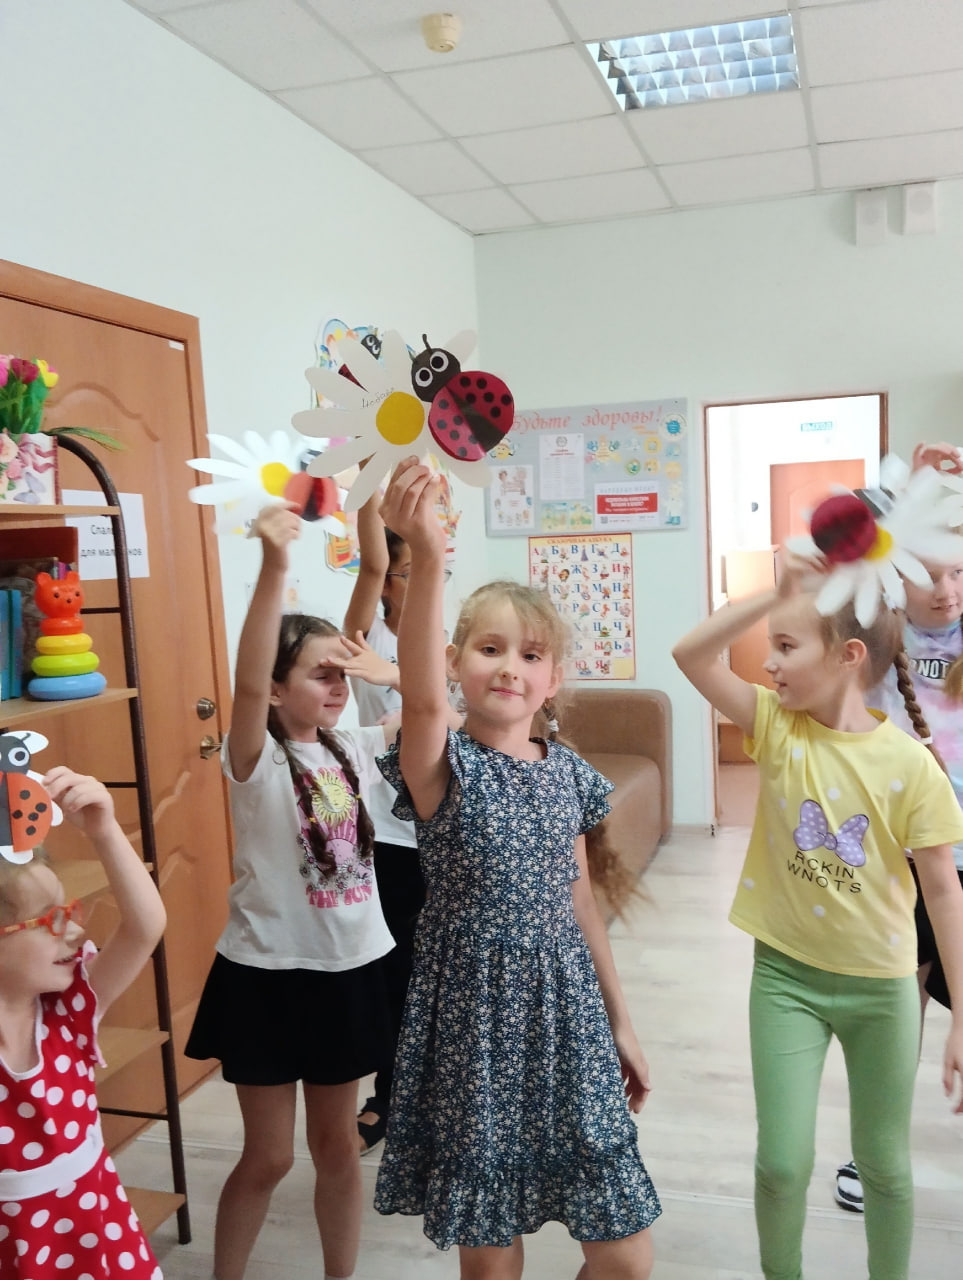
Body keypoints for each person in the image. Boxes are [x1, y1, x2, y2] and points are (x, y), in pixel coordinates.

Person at [372, 458, 660, 1279]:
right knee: (492, 1264)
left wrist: (620, 1020)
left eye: (530, 654)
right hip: (474, 1024)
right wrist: (428, 557)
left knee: (626, 1257)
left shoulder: (566, 773)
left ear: (553, 678)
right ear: (455, 661)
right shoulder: (442, 766)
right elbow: (421, 703)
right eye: (488, 648)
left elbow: (580, 901)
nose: (509, 667)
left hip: (567, 1015)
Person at [672, 551, 963, 1280]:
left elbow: (943, 892)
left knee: (885, 1166)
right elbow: (690, 655)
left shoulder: (912, 766)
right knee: (780, 1163)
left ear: (847, 656)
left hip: (881, 990)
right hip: (784, 978)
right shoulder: (775, 725)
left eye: (784, 644)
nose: (768, 662)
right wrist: (774, 595)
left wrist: (962, 1013)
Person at [184, 502, 398, 1280]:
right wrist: (275, 565)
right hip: (266, 977)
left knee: (337, 1146)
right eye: (319, 674)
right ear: (275, 691)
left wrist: (389, 669)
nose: (337, 685)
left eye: (342, 674)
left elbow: (439, 708)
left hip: (348, 972)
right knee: (269, 1156)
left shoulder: (354, 747)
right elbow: (245, 681)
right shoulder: (256, 760)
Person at [835, 443, 963, 1213]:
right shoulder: (876, 637)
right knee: (897, 1007)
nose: (945, 591)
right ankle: (873, 1148)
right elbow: (838, 540)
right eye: (929, 574)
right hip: (902, 852)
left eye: (957, 574)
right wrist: (909, 487)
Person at [0, 766, 168, 1279]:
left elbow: (145, 927)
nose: (74, 931)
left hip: (100, 1242)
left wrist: (104, 829)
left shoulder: (69, 1010)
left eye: (69, 911)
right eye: (50, 920)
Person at [338, 490, 429, 1155]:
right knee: (394, 978)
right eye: (407, 570)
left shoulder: (450, 644)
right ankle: (390, 1098)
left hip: (450, 835)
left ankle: (443, 1097)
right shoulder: (366, 644)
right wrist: (371, 486)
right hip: (391, 841)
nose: (417, 578)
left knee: (447, 979)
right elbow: (369, 563)